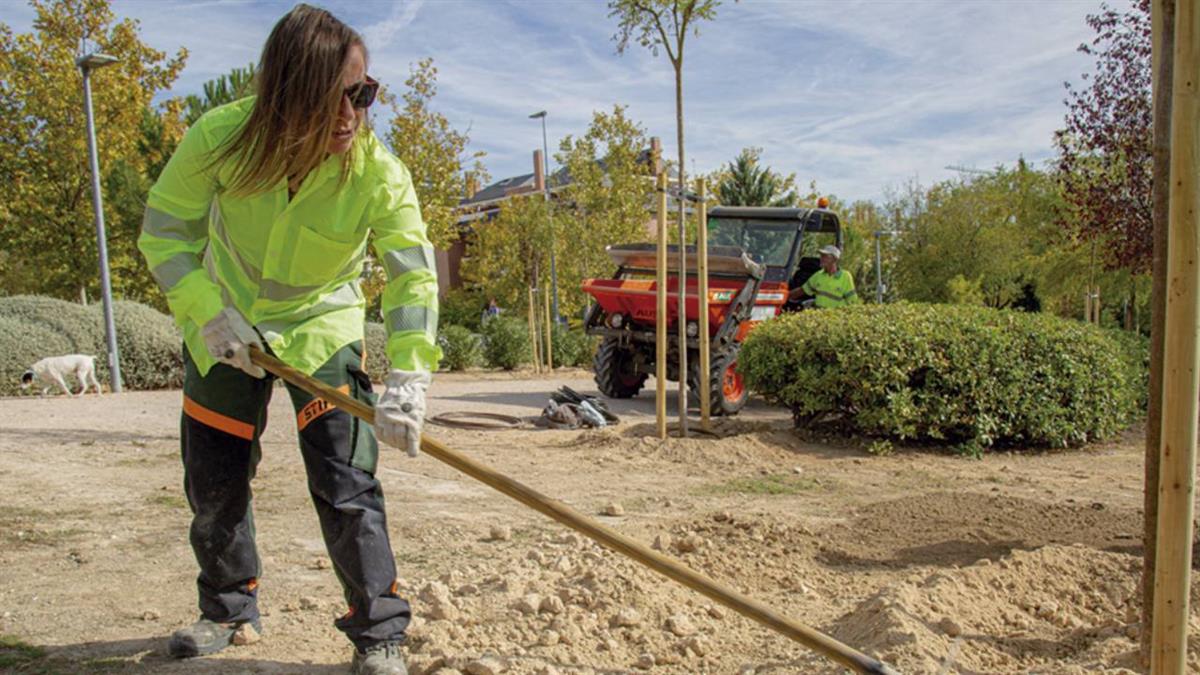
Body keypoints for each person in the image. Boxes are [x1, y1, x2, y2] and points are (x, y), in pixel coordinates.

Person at [137, 5, 438, 674]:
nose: (350, 114)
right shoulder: (219, 139)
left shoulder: (375, 171)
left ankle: (379, 632)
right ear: (284, 95)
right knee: (214, 478)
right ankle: (226, 607)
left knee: (346, 476)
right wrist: (208, 314)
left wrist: (410, 378)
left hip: (319, 330)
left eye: (362, 93)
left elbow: (413, 276)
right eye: (332, 95)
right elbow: (164, 234)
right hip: (226, 330)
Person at [788, 244, 859, 308]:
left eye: (825, 256)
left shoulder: (846, 277)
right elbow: (802, 290)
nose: (821, 259)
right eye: (821, 256)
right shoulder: (818, 275)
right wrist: (784, 296)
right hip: (819, 317)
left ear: (834, 259)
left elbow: (852, 302)